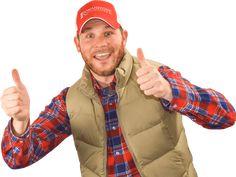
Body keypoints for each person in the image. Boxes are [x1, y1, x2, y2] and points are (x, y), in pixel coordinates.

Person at [1, 0, 235, 177]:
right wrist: (20, 123)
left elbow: (226, 115)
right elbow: (16, 159)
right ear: (77, 44)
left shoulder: (156, 76)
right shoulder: (68, 101)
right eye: (89, 35)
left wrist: (170, 92)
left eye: (108, 33)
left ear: (123, 37)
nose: (100, 43)